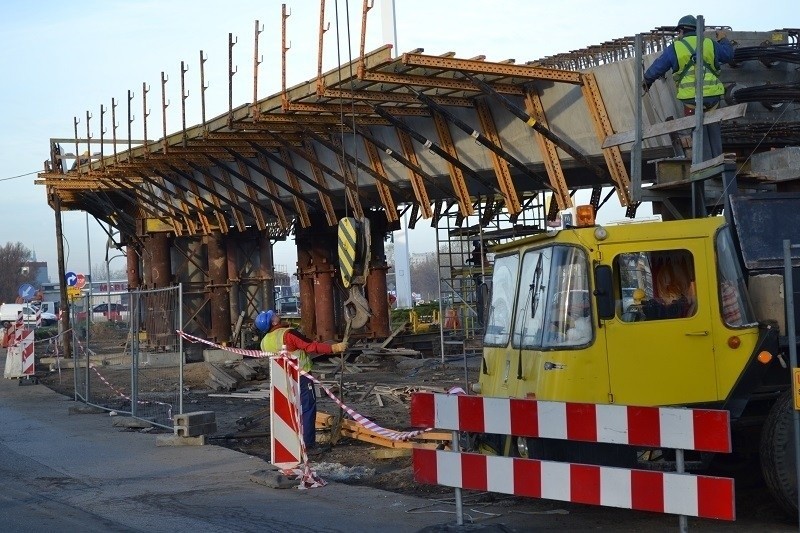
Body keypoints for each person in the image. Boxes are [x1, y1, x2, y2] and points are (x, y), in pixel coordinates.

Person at [642, 15, 734, 159]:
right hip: (713, 97)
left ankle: (703, 163)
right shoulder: (710, 44)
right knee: (714, 130)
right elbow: (728, 55)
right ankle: (717, 160)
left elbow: (657, 68)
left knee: (697, 131)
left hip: (691, 99)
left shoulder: (675, 48)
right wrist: (723, 39)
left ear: (682, 31)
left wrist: (647, 82)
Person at [256, 309, 347, 453]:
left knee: (289, 408)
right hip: (301, 375)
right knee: (308, 407)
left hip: (281, 378)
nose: (275, 314)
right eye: (272, 315)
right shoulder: (288, 334)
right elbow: (310, 346)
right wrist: (334, 348)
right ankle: (308, 443)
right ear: (273, 322)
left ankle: (290, 441)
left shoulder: (264, 342)